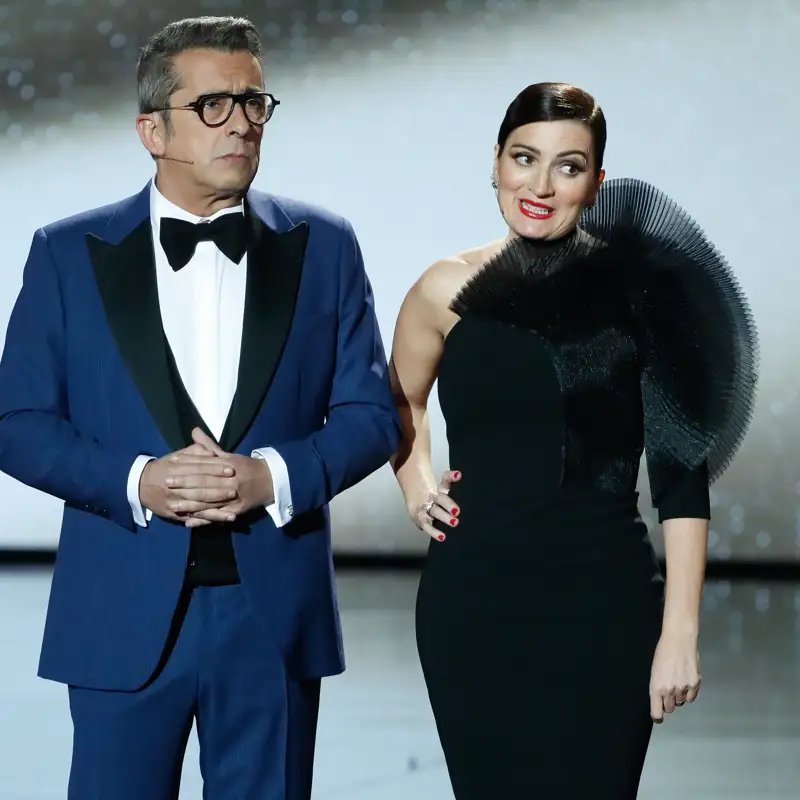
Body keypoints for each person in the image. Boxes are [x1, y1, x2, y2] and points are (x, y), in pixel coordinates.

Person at [0, 15, 399, 800]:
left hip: (273, 617)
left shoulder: (325, 246)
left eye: (256, 104)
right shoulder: (67, 253)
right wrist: (138, 480)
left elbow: (370, 415)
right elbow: (16, 424)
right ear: (152, 129)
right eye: (215, 106)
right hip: (120, 612)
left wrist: (273, 476)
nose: (243, 125)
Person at [389, 82, 757, 798]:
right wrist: (416, 486)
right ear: (495, 161)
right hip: (474, 602)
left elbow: (682, 474)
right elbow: (402, 399)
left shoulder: (641, 293)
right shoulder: (443, 288)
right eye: (524, 158)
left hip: (604, 604)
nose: (539, 184)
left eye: (568, 165)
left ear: (597, 183)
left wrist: (679, 633)